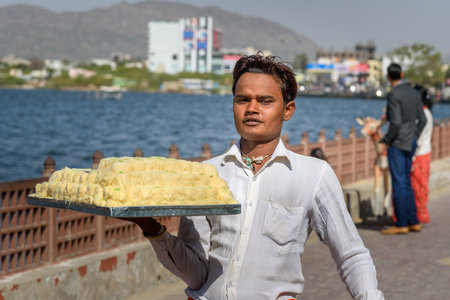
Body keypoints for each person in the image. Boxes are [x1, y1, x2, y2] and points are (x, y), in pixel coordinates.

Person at [126, 53, 384, 299]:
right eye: (242, 100)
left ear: (288, 110)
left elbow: (351, 255)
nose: (252, 108)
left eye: (265, 101)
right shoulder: (207, 175)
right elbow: (197, 276)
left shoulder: (312, 175)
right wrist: (151, 229)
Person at [379, 63, 426, 235]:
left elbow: (396, 122)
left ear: (388, 77)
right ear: (402, 74)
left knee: (398, 182)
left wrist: (387, 139)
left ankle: (401, 223)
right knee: (406, 181)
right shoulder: (414, 92)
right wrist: (414, 135)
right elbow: (423, 120)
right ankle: (414, 221)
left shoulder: (394, 94)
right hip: (410, 141)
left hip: (398, 143)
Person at [411, 84, 433, 223]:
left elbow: (417, 138)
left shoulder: (421, 114)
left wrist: (412, 156)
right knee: (422, 185)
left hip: (419, 154)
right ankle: (422, 214)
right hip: (426, 152)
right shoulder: (428, 112)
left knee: (417, 186)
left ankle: (419, 215)